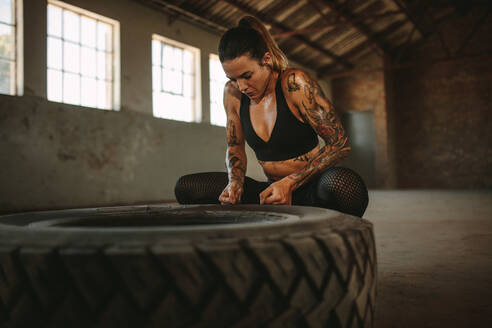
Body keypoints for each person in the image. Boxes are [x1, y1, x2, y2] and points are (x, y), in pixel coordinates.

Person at [174, 16, 368, 217]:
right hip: (271, 192)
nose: (241, 86)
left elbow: (340, 143)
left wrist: (290, 183)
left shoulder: (294, 84)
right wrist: (235, 182)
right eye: (233, 78)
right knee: (187, 187)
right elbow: (235, 146)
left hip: (311, 187)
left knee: (346, 187)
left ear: (266, 60)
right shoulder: (232, 93)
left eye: (247, 76)